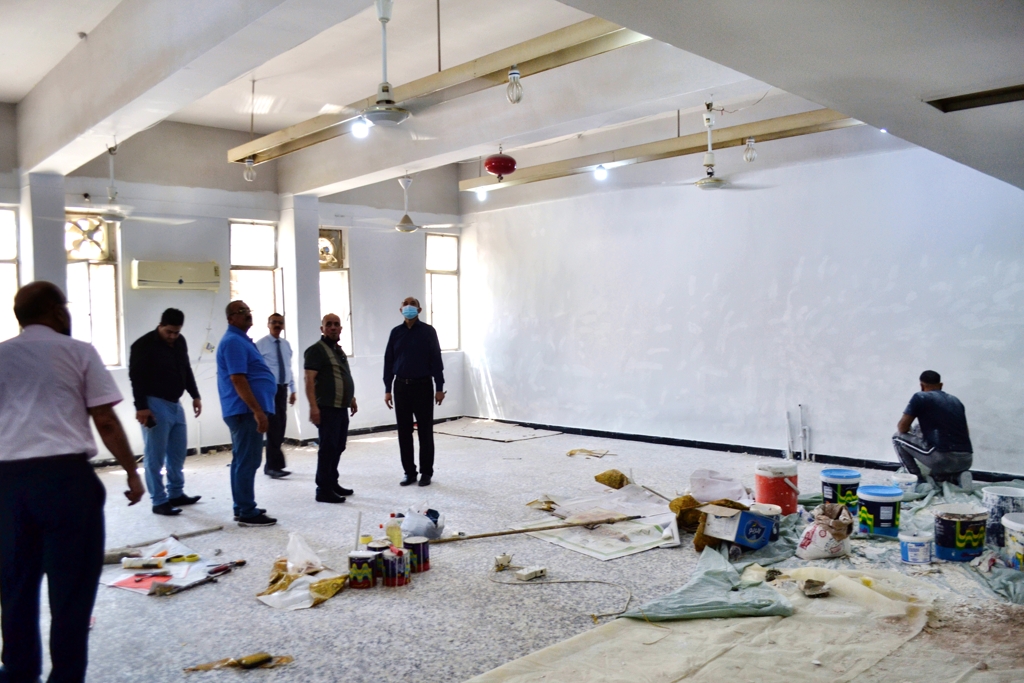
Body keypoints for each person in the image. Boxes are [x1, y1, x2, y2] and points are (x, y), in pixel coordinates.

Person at [0, 281, 144, 682]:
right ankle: (65, 676)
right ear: (55, 310)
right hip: (65, 482)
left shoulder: (2, 354)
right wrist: (132, 471)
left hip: (8, 486)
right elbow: (105, 421)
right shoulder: (78, 351)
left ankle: (19, 672)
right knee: (72, 592)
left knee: (14, 587)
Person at [128, 307, 203, 516]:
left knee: (177, 454)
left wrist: (195, 395)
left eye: (176, 332)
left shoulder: (180, 342)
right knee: (155, 456)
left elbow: (186, 369)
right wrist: (141, 408)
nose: (172, 336)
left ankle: (176, 493)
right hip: (154, 404)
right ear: (160, 325)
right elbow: (136, 378)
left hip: (175, 404)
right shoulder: (143, 345)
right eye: (168, 332)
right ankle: (159, 501)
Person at [216, 300, 278, 527]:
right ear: (230, 318)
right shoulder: (233, 341)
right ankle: (247, 511)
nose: (247, 314)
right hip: (245, 411)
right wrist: (257, 411)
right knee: (248, 460)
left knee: (241, 459)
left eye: (248, 310)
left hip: (244, 410)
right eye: (240, 311)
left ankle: (241, 506)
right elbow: (238, 379)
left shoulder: (240, 340)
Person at [383, 296, 445, 487]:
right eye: (405, 304)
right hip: (401, 387)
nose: (409, 306)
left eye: (413, 304)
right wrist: (387, 389)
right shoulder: (395, 333)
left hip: (423, 386)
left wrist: (439, 387)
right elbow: (388, 361)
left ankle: (426, 472)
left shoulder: (428, 331)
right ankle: (409, 472)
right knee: (404, 432)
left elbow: (436, 359)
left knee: (425, 431)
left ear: (419, 310)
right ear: (400, 309)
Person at [304, 313, 358, 503]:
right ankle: (323, 489)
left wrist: (351, 398)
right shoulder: (316, 350)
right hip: (327, 408)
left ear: (341, 328)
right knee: (328, 448)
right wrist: (313, 407)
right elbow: (309, 380)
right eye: (329, 324)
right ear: (322, 328)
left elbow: (342, 375)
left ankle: (332, 482)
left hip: (341, 407)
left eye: (336, 324)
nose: (333, 327)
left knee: (339, 446)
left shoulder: (337, 350)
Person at [893, 370, 974, 488]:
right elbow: (966, 433)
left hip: (941, 459)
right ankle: (955, 476)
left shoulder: (920, 397)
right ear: (941, 385)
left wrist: (910, 430)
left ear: (921, 386)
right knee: (918, 428)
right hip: (966, 460)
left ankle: (917, 480)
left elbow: (902, 428)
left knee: (897, 438)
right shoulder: (956, 401)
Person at [255, 313, 297, 479]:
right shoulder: (260, 345)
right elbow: (256, 368)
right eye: (274, 322)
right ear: (268, 324)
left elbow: (288, 368)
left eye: (280, 323)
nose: (277, 325)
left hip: (282, 389)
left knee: (280, 427)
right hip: (268, 390)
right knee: (273, 427)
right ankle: (272, 466)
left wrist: (293, 389)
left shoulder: (286, 345)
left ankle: (274, 465)